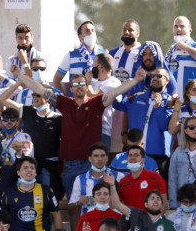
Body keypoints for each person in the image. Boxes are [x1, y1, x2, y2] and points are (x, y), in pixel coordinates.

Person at [17, 61, 140, 197]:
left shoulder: (97, 103)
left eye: (82, 83)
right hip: (70, 164)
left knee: (94, 201)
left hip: (92, 163)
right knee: (73, 206)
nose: (79, 87)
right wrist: (19, 75)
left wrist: (136, 80)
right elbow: (40, 90)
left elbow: (115, 92)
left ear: (87, 86)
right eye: (75, 84)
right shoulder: (65, 103)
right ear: (71, 88)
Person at [111, 63, 176, 172]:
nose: (155, 78)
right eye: (153, 76)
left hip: (159, 156)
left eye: (159, 76)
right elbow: (116, 104)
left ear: (167, 80)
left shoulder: (171, 103)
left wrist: (158, 107)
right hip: (135, 154)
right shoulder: (136, 98)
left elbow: (164, 126)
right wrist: (126, 86)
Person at [1, 157, 62, 231]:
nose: (29, 170)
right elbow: (3, 220)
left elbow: (56, 214)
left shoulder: (46, 191)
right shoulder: (8, 193)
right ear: (18, 172)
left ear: (35, 172)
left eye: (32, 168)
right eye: (25, 168)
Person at [168, 116, 196, 207]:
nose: (195, 129)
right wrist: (173, 205)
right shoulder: (178, 152)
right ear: (185, 130)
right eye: (191, 127)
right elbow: (172, 180)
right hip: (182, 202)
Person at [165, 15, 196, 90]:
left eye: (182, 26)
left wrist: (185, 47)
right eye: (176, 26)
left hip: (190, 98)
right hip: (174, 98)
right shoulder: (171, 49)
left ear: (190, 30)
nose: (178, 29)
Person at [117, 145, 168, 210]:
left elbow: (164, 202)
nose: (132, 158)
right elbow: (121, 205)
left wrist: (156, 220)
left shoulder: (155, 177)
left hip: (149, 219)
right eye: (130, 155)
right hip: (130, 219)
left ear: (143, 160)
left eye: (136, 155)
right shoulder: (123, 181)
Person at [108, 19, 143, 83]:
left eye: (130, 30)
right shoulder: (113, 52)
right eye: (124, 29)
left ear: (138, 33)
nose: (126, 32)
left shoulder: (143, 53)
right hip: (114, 92)